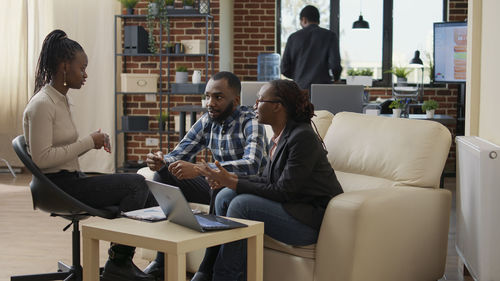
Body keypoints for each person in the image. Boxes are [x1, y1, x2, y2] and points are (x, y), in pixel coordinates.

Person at [23, 29, 156, 281]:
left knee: (145, 190)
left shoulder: (59, 99)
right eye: (81, 68)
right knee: (136, 185)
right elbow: (42, 159)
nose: (85, 74)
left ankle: (145, 262)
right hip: (58, 186)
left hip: (70, 180)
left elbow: (60, 147)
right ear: (64, 66)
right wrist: (87, 142)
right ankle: (119, 263)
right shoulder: (42, 104)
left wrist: (92, 142)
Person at [193, 79, 344, 281]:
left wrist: (234, 181)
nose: (254, 105)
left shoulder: (302, 137)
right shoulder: (280, 136)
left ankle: (226, 277)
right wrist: (229, 179)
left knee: (241, 205)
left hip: (309, 220)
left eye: (259, 100)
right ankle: (215, 271)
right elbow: (265, 180)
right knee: (224, 196)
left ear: (277, 106)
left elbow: (283, 191)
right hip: (291, 207)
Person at [143, 71, 268, 277]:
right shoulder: (207, 120)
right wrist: (160, 160)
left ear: (235, 100)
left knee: (218, 184)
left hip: (246, 188)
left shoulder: (251, 121)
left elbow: (252, 164)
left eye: (218, 97)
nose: (210, 103)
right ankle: (161, 261)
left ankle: (205, 270)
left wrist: (201, 169)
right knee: (163, 176)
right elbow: (178, 154)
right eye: (207, 96)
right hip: (215, 182)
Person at [281, 5, 342, 92]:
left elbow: (284, 68)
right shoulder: (330, 36)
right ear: (318, 20)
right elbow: (335, 65)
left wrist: (298, 77)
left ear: (304, 20)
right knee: (323, 106)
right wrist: (336, 79)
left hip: (299, 89)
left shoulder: (293, 37)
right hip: (323, 89)